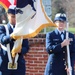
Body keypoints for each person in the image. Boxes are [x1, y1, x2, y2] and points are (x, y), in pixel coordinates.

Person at [0, 5, 29, 75]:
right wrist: (13, 36)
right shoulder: (3, 28)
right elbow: (3, 40)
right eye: (13, 17)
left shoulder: (22, 30)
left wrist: (21, 50)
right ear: (8, 15)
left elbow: (26, 47)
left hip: (19, 65)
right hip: (5, 64)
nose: (15, 19)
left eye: (17, 17)